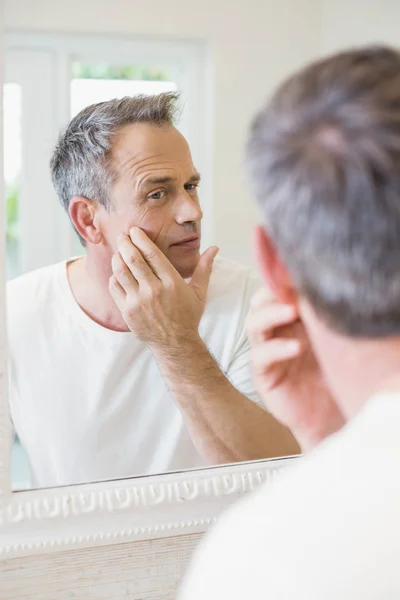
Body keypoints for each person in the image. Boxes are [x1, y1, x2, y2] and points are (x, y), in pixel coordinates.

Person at [8, 92, 328, 488]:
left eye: (190, 186)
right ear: (88, 220)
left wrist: (175, 341)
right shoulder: (16, 315)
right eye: (157, 194)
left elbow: (277, 479)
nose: (192, 212)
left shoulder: (249, 298)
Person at [179, 46, 400, 600]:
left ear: (273, 263)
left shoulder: (262, 562)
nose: (188, 213)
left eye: (190, 187)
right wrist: (330, 441)